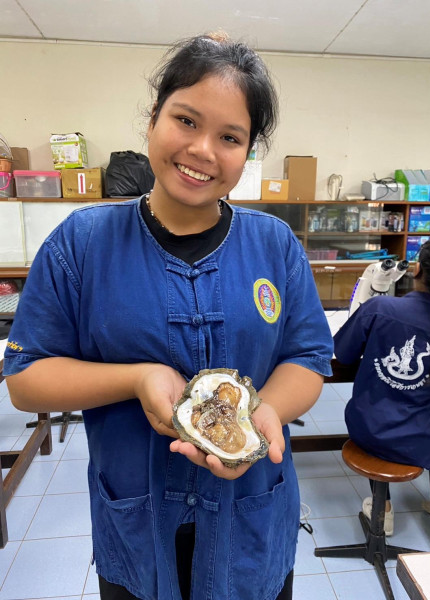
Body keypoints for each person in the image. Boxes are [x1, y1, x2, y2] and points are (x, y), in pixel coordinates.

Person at [3, 32, 333, 600]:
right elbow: (26, 378)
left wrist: (265, 414)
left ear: (248, 151)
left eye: (230, 137)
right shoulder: (81, 244)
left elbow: (307, 356)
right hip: (137, 516)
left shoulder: (275, 245)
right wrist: (137, 378)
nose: (203, 150)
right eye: (186, 120)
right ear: (153, 117)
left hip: (251, 514)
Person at [334, 236, 430, 551]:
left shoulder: (380, 308)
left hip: (367, 428)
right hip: (419, 438)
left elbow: (342, 354)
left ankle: (382, 509)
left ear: (417, 270)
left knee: (378, 416)